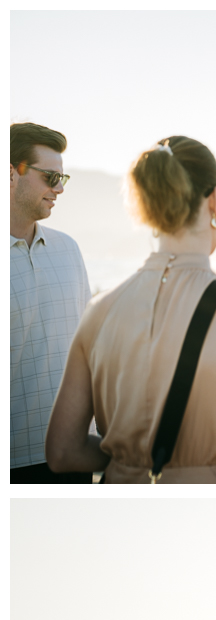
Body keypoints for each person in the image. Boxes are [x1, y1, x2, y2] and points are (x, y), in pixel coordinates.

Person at [44, 136, 216, 484]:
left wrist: (132, 458)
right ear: (214, 203)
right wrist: (210, 464)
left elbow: (61, 452)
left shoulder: (98, 311)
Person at [10, 122, 92, 483]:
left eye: (63, 178)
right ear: (11, 173)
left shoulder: (69, 250)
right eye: (49, 177)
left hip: (73, 455)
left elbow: (91, 350)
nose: (59, 189)